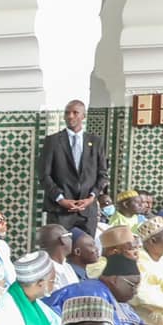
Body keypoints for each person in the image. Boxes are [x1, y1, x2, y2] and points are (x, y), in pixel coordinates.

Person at [41, 97, 108, 233]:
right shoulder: (52, 141)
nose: (70, 116)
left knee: (87, 250)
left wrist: (91, 198)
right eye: (67, 113)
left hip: (87, 211)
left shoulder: (96, 142)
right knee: (60, 249)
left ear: (84, 116)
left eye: (75, 113)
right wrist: (61, 199)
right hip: (60, 210)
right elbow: (44, 175)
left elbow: (102, 174)